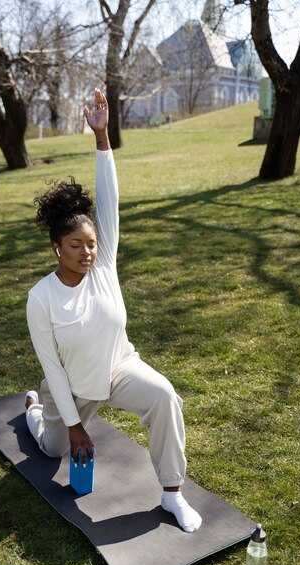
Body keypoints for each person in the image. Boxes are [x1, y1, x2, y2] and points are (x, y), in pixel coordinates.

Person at [25, 87, 202, 533]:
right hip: (73, 386)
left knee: (164, 397)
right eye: (75, 245)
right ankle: (33, 407)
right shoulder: (41, 297)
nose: (86, 252)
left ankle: (172, 494)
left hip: (120, 368)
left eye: (91, 244)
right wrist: (74, 425)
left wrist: (101, 138)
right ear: (56, 248)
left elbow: (109, 203)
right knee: (53, 450)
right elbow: (53, 364)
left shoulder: (104, 264)